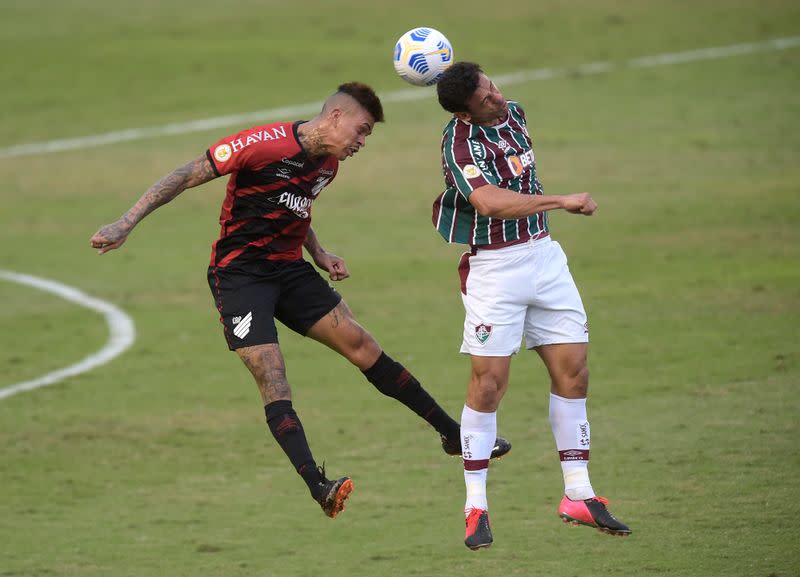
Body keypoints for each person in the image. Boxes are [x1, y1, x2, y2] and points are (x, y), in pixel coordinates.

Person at [90, 82, 510, 520]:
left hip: (289, 272)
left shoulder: (327, 165)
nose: (362, 143)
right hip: (240, 278)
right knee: (273, 376)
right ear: (334, 118)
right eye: (361, 131)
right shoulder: (260, 145)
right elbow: (183, 175)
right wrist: (125, 222)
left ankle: (452, 435)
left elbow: (295, 208)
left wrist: (319, 253)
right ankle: (319, 485)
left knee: (363, 346)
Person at [432, 63, 631, 549]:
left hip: (545, 258)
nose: (497, 98)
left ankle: (578, 494)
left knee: (574, 372)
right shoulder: (459, 145)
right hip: (496, 272)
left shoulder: (515, 113)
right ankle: (475, 505)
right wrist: (561, 201)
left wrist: (550, 213)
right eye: (485, 100)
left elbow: (516, 167)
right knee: (489, 384)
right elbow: (491, 203)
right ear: (465, 111)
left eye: (493, 86)